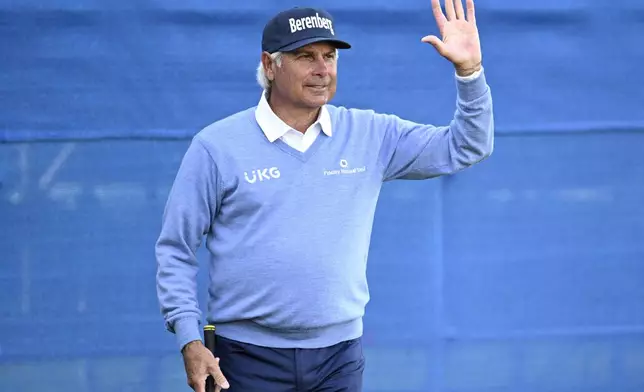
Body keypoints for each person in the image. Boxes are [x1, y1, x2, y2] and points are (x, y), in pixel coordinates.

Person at [155, 0, 493, 390]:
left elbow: (467, 147)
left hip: (339, 356)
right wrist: (189, 339)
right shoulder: (216, 146)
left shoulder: (370, 134)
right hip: (243, 358)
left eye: (329, 56)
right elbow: (176, 248)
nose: (322, 69)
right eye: (305, 56)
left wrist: (470, 73)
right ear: (269, 65)